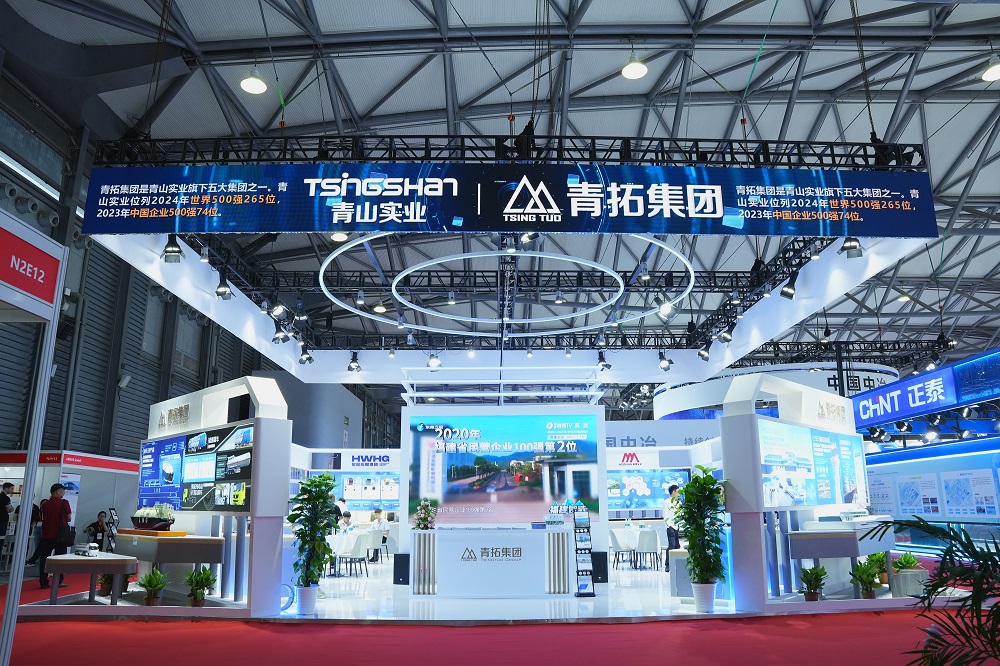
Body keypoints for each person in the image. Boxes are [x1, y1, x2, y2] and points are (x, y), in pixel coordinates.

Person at [38, 483, 71, 589]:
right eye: (63, 491)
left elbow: (43, 518)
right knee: (60, 559)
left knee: (45, 559)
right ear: (57, 491)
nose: (63, 493)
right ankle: (58, 581)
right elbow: (69, 518)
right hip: (60, 536)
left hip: (46, 535)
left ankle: (43, 581)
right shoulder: (64, 503)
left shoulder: (45, 504)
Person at [663, 485, 681, 572]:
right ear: (673, 492)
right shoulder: (666, 502)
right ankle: (668, 565)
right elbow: (665, 515)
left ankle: (676, 564)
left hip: (677, 526)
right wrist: (669, 525)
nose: (679, 494)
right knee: (672, 545)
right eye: (678, 491)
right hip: (670, 527)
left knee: (677, 546)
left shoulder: (679, 503)